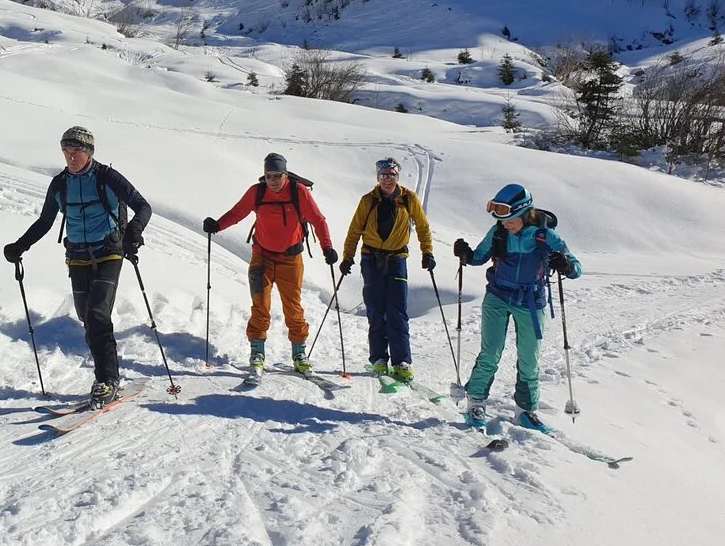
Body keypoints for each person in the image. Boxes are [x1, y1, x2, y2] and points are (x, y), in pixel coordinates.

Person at [2, 126, 151, 409]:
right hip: (77, 256)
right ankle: (108, 371)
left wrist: (134, 231)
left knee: (97, 315)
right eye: (66, 151)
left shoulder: (107, 178)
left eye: (76, 151)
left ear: (89, 152)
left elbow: (143, 206)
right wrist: (20, 245)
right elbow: (45, 222)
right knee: (86, 317)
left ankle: (107, 380)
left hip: (109, 252)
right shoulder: (60, 184)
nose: (70, 157)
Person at [453, 183, 581, 434]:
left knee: (529, 360)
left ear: (525, 214)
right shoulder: (499, 232)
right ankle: (476, 403)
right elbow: (478, 257)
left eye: (510, 220)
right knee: (490, 352)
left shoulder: (546, 237)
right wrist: (465, 254)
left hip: (530, 302)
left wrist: (565, 264)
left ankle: (525, 411)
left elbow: (576, 268)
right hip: (498, 296)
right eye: (502, 220)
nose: (506, 225)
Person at [202, 153, 336, 374]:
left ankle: (299, 354)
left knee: (293, 308)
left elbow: (318, 220)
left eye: (277, 176)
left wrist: (327, 247)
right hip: (262, 257)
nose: (272, 180)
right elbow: (238, 212)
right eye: (268, 176)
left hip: (291, 259)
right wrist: (217, 225)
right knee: (260, 306)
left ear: (285, 175)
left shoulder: (298, 192)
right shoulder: (258, 191)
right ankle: (257, 354)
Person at [338, 157, 434, 382]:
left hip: (397, 258)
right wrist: (347, 257)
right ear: (377, 177)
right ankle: (379, 359)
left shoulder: (408, 199)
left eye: (391, 175)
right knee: (376, 309)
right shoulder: (368, 200)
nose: (387, 179)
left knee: (397, 310)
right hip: (371, 259)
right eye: (383, 175)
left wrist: (427, 252)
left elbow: (422, 226)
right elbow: (354, 230)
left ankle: (402, 361)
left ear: (397, 177)